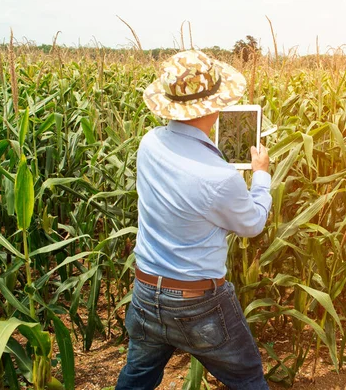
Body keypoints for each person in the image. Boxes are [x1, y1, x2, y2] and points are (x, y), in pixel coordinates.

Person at [115, 50, 272, 390]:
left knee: (137, 378)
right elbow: (253, 224)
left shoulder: (149, 144)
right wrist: (261, 176)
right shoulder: (220, 178)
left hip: (145, 292)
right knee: (246, 377)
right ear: (216, 106)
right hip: (198, 302)